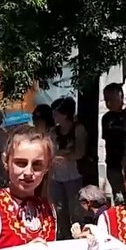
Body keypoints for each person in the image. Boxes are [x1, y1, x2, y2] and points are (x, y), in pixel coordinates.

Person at [50, 97, 86, 239]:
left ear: (65, 114)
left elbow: (80, 152)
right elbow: (51, 153)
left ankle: (78, 237)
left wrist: (64, 155)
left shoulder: (78, 129)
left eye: (56, 113)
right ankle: (63, 237)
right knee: (59, 209)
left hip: (73, 175)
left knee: (75, 209)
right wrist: (64, 154)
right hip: (56, 176)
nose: (54, 117)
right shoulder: (53, 131)